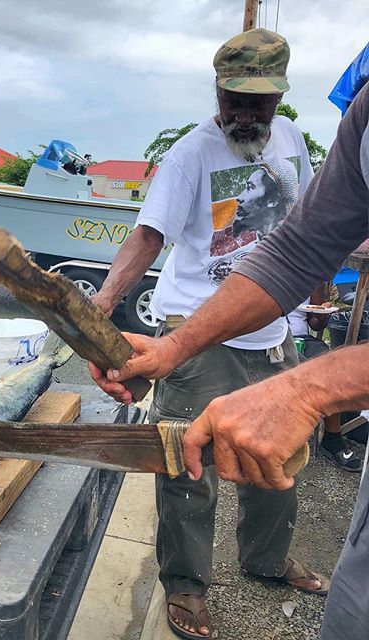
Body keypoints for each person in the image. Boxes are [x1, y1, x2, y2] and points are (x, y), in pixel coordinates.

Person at [89, 82, 369, 640]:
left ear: (280, 98)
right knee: (188, 465)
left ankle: (265, 561)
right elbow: (149, 236)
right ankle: (187, 583)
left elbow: (304, 228)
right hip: (199, 329)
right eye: (231, 102)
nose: (243, 115)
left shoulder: (291, 137)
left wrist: (316, 303)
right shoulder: (190, 153)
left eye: (258, 104)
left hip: (271, 332)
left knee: (282, 456)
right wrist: (103, 308)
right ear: (217, 94)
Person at [287, 286, 363, 472]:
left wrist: (321, 316)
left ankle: (332, 436)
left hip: (303, 339)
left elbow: (316, 324)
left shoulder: (312, 276)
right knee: (306, 369)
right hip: (275, 341)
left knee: (332, 367)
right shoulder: (263, 266)